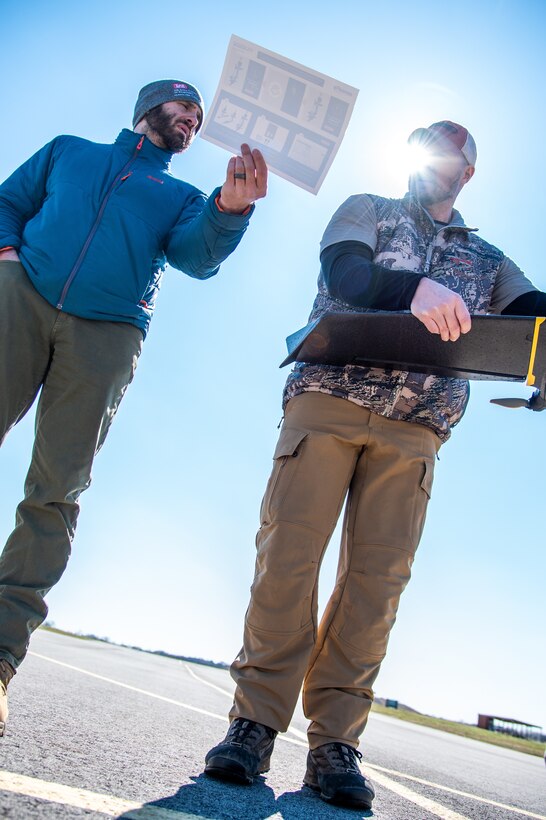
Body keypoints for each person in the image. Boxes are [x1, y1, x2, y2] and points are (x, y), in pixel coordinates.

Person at [204, 121, 546, 810]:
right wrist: (416, 288)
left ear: (468, 172)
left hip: (417, 429)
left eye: (452, 148)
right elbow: (347, 274)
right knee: (288, 559)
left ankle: (335, 743)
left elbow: (533, 314)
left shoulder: (489, 259)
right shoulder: (366, 207)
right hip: (328, 398)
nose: (437, 154)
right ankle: (254, 725)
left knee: (376, 585)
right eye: (427, 140)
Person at [0, 79, 267, 737]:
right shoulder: (69, 151)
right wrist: (7, 259)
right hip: (21, 298)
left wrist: (230, 209)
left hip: (108, 333)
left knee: (55, 493)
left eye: (199, 118)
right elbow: (9, 200)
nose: (192, 120)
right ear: (149, 109)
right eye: (183, 107)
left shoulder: (182, 197)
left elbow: (196, 256)